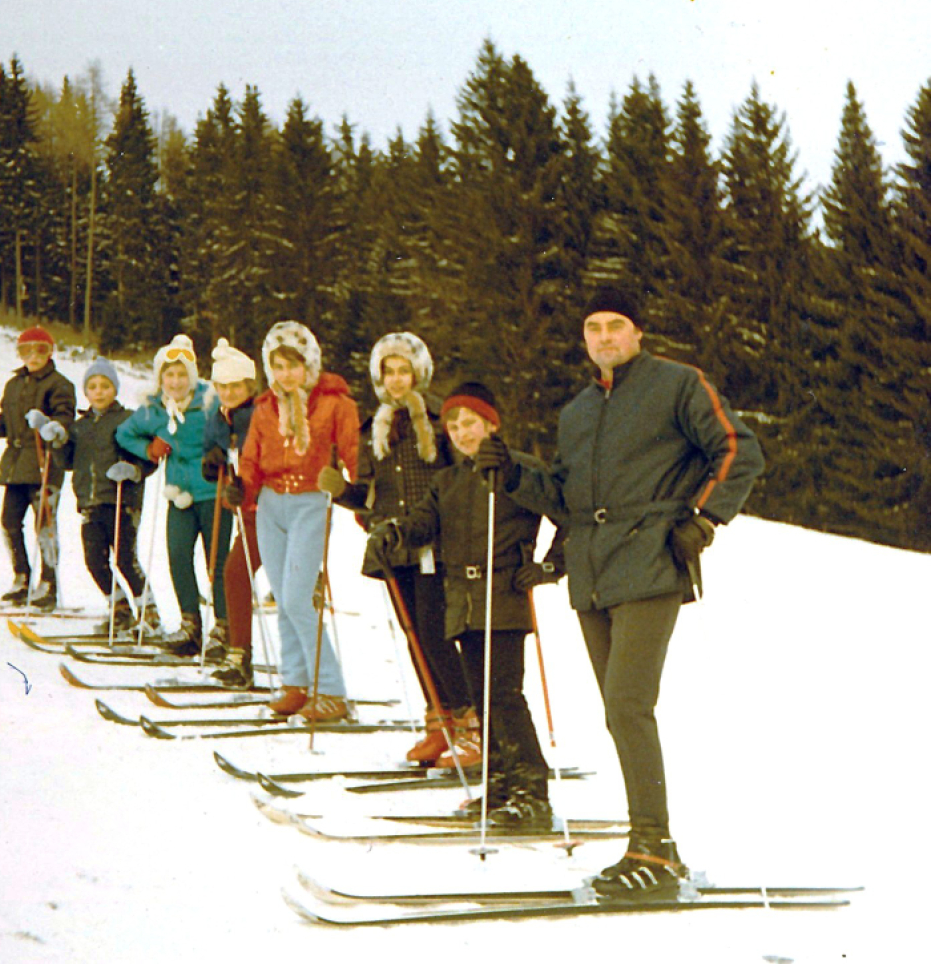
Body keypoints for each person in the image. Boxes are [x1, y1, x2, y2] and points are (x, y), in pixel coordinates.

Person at [479, 287, 765, 895]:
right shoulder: (577, 411)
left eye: (616, 325)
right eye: (593, 327)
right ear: (584, 339)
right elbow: (564, 495)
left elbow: (739, 450)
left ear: (638, 333)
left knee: (628, 705)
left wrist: (705, 519)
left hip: (652, 559)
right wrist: (514, 474)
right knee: (619, 711)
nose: (604, 337)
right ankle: (651, 845)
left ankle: (654, 853)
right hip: (593, 572)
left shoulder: (677, 384)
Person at [368, 382, 566, 829]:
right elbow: (422, 525)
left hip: (504, 593)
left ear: (492, 425)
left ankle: (531, 791)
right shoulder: (448, 481)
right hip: (462, 599)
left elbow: (564, 514)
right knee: (481, 697)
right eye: (453, 425)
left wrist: (551, 567)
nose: (461, 433)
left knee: (504, 696)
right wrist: (394, 535)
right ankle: (500, 783)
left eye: (470, 423)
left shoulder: (522, 469)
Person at [318, 332, 480, 768]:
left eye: (403, 370)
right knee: (414, 636)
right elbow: (370, 496)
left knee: (436, 632)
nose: (396, 380)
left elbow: (460, 475)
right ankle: (439, 724)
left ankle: (472, 725)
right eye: (388, 372)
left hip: (435, 543)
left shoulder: (440, 418)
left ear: (418, 373)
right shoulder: (372, 428)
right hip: (394, 547)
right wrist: (344, 492)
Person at [231, 321, 359, 721]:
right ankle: (296, 682)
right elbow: (251, 456)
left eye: (294, 364)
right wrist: (240, 486)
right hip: (271, 504)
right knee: (283, 598)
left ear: (310, 364)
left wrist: (361, 495)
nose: (287, 374)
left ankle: (332, 690)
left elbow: (354, 454)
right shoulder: (265, 407)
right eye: (278, 365)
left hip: (310, 500)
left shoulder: (335, 403)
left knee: (298, 597)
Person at [116, 335, 230, 656]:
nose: (176, 382)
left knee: (217, 563)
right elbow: (124, 433)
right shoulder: (155, 409)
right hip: (178, 494)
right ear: (160, 378)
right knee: (178, 557)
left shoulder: (209, 402)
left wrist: (223, 450)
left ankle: (223, 626)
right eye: (169, 375)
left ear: (192, 377)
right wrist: (148, 449)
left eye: (182, 375)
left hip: (213, 490)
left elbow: (235, 427)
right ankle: (190, 625)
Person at [0, 326, 76, 610]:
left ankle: (48, 585)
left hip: (45, 464)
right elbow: (5, 423)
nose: (33, 356)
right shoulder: (14, 385)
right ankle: (22, 577)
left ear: (50, 352)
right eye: (25, 350)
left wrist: (49, 425)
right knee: (9, 522)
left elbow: (65, 421)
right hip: (16, 466)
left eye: (40, 349)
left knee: (45, 527)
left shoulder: (60, 384)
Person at [50, 357, 158, 633]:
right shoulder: (80, 426)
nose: (99, 391)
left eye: (106, 386)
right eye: (93, 386)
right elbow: (67, 462)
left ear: (115, 389)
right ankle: (120, 609)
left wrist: (133, 470)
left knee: (125, 559)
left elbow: (149, 457)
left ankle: (150, 615)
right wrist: (58, 443)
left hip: (122, 500)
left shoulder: (128, 419)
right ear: (86, 392)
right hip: (90, 502)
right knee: (94, 561)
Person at [201, 338, 262, 687]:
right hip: (246, 510)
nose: (228, 392)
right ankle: (239, 654)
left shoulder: (257, 415)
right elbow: (214, 456)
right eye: (221, 386)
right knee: (235, 573)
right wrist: (212, 467)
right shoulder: (218, 419)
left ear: (249, 386)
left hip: (269, 507)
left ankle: (305, 671)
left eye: (235, 386)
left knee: (239, 574)